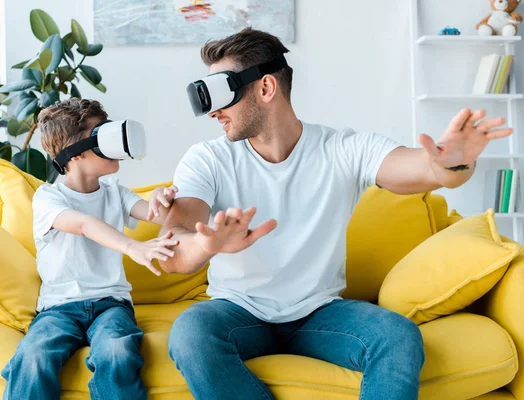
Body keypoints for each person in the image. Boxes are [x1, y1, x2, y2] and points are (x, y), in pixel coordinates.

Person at [160, 28, 513, 400]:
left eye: (222, 94)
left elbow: (421, 169)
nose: (213, 111)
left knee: (397, 336)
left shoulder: (341, 149)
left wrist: (452, 164)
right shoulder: (207, 159)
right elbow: (174, 249)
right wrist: (206, 244)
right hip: (237, 312)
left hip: (318, 314)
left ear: (266, 88)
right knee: (190, 335)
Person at [1, 98, 179, 400]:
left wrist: (162, 198)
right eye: (101, 134)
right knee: (33, 356)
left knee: (117, 351)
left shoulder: (115, 192)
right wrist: (132, 247)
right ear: (76, 154)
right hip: (58, 308)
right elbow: (83, 223)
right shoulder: (47, 198)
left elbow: (154, 213)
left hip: (111, 304)